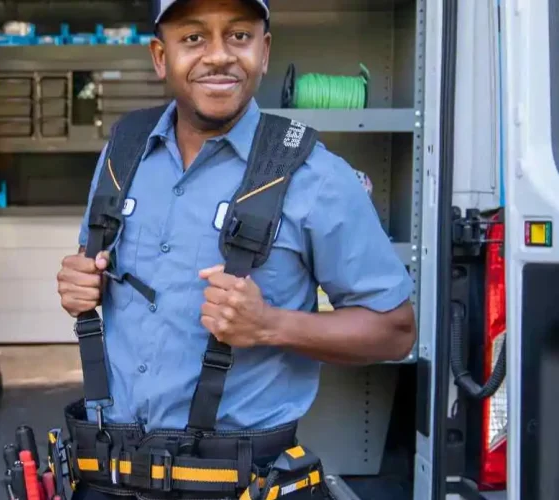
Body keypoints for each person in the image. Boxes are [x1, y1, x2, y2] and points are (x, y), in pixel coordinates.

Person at [55, 0, 418, 498]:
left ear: (264, 53)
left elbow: (394, 331)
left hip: (238, 484)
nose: (219, 56)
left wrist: (270, 325)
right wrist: (79, 281)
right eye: (194, 38)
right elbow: (93, 264)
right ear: (161, 57)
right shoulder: (123, 150)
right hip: (105, 476)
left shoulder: (315, 175)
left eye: (240, 36)